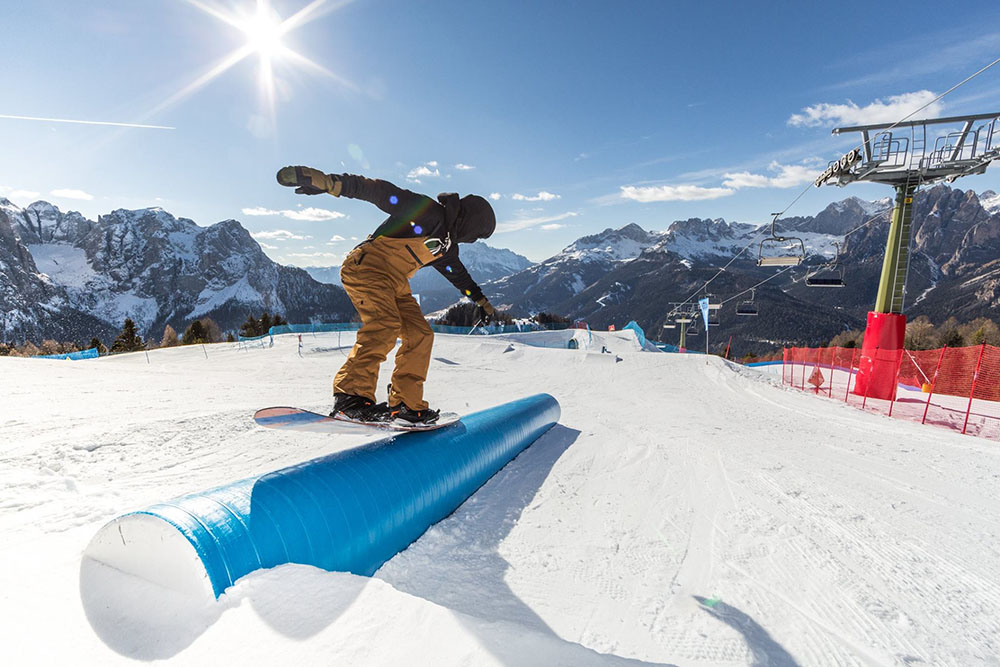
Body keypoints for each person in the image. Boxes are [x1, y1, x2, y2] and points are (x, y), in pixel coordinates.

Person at [276, 166, 498, 425]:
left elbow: (457, 274)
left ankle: (405, 405)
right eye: (479, 235)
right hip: (367, 267)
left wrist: (480, 300)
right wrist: (331, 183)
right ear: (472, 224)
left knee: (420, 334)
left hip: (395, 283)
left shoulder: (446, 246)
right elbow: (381, 192)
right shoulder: (427, 211)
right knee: (386, 325)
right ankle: (350, 397)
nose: (475, 240)